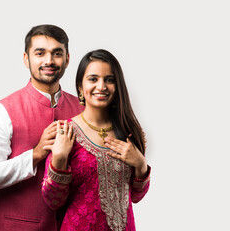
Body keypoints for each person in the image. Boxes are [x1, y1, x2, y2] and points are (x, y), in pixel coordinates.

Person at [0, 24, 84, 230]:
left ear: (67, 59)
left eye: (57, 53)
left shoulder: (83, 110)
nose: (48, 61)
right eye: (40, 53)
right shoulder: (3, 111)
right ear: (26, 59)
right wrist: (35, 154)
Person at [41, 49, 151, 231]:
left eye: (109, 80)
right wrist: (59, 159)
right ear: (80, 87)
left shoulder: (129, 132)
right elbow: (53, 201)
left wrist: (140, 165)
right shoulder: (66, 132)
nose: (101, 87)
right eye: (93, 79)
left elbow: (136, 197)